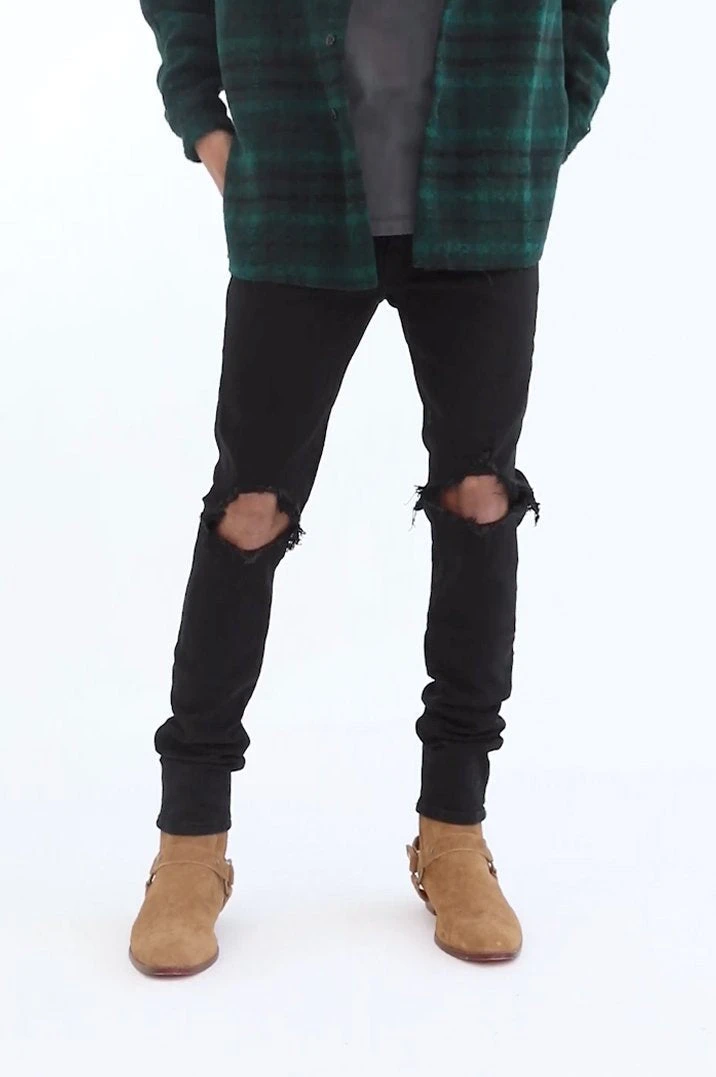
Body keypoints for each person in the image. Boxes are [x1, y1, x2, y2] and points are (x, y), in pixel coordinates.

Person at [129, 0, 615, 976]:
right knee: (249, 510)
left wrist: (550, 122)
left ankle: (453, 833)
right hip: (296, 186)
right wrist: (204, 121)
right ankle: (189, 842)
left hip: (483, 184)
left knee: (479, 499)